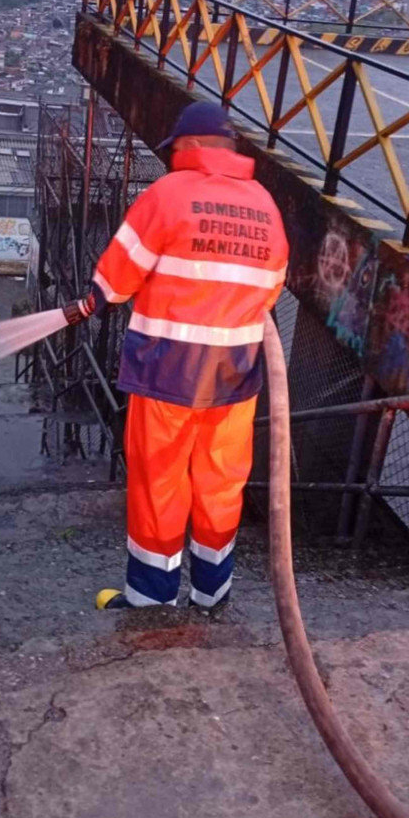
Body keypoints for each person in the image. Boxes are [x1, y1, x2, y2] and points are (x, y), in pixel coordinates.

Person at [73, 101, 289, 612]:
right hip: (235, 377)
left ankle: (151, 596)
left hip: (167, 372)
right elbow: (270, 291)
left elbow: (116, 280)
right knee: (220, 484)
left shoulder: (167, 195)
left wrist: (93, 299)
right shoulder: (266, 207)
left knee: (159, 483)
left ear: (190, 146)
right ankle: (212, 593)